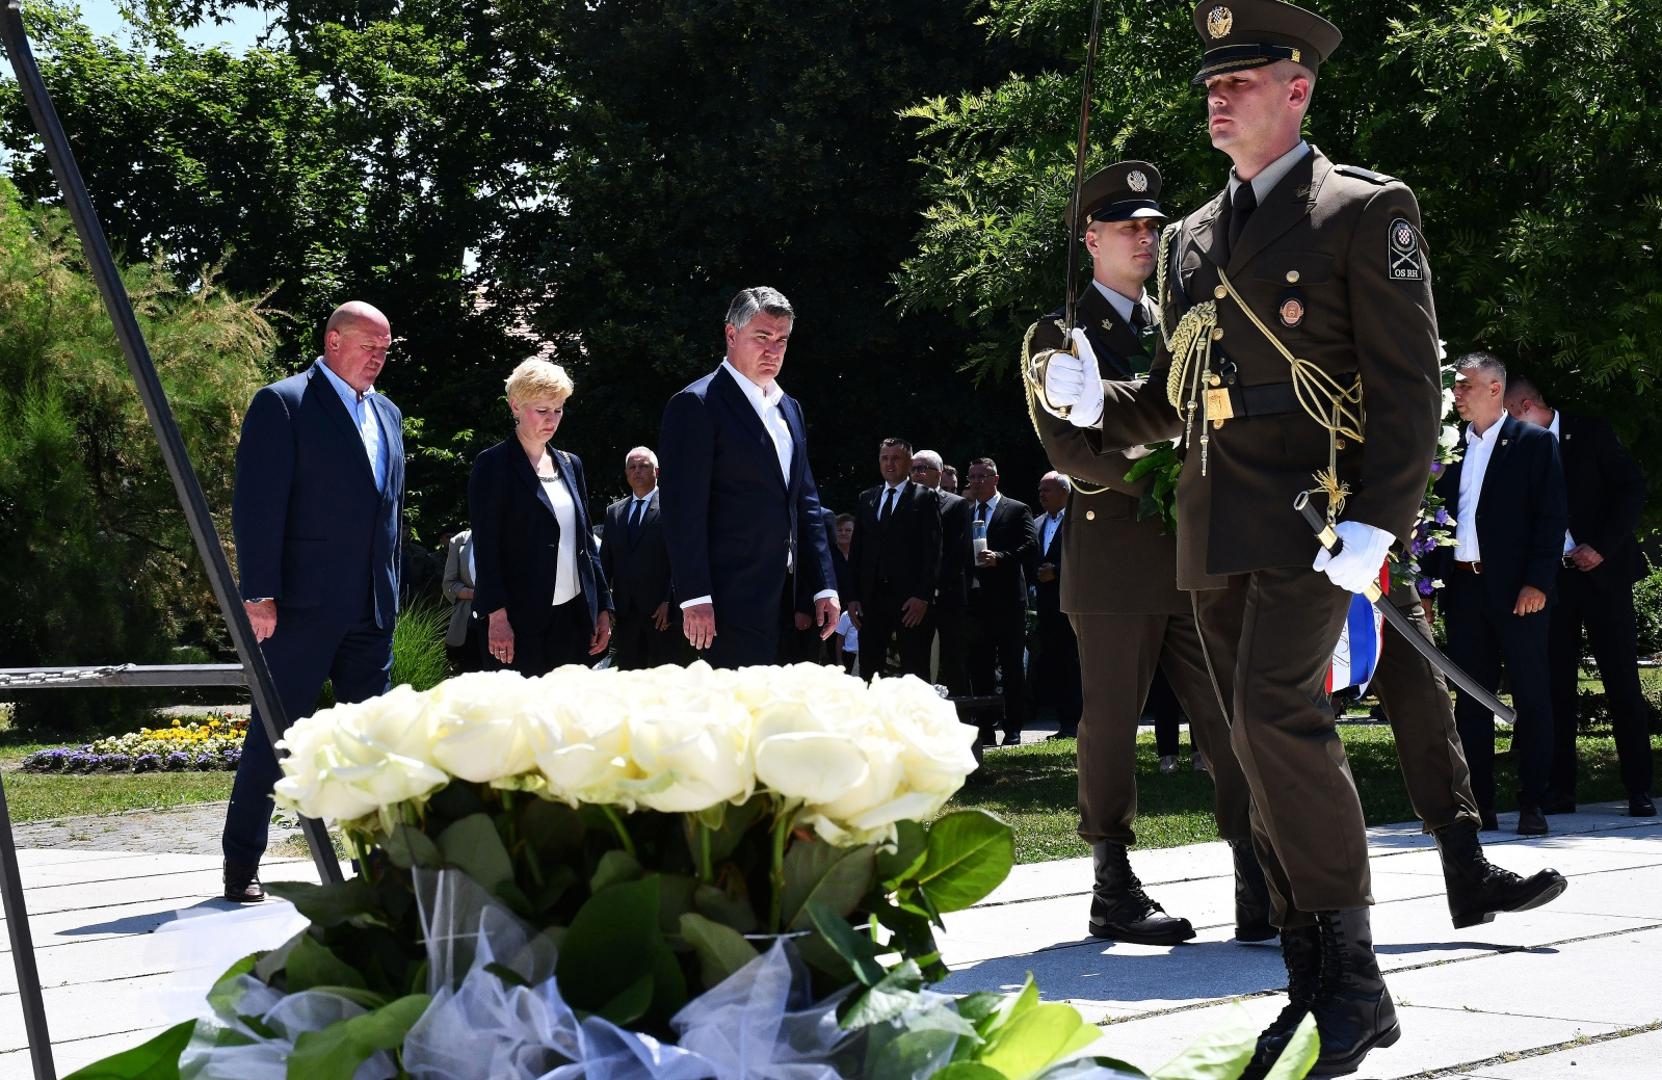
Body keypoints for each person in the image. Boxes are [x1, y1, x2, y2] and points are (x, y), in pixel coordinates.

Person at [1040, 4, 1444, 1072]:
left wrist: (1378, 519)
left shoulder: (1364, 210)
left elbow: (1410, 391)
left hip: (1317, 519)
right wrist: (1094, 401)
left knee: (1275, 716)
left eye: (1243, 78)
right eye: (1210, 82)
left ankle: (1353, 978)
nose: (1218, 96)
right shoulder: (1193, 238)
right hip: (1215, 522)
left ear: (1298, 90)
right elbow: (1178, 399)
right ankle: (1314, 975)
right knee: (1252, 741)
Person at [1026, 161, 1268, 946]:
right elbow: (1073, 448)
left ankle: (1255, 868)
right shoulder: (1056, 337)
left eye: (1151, 226)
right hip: (1115, 565)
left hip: (1194, 557)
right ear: (1089, 238)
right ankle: (1112, 882)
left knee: (1233, 719)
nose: (1144, 237)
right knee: (1110, 727)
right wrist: (1173, 471)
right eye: (1127, 226)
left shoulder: (1180, 325)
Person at [224, 301, 405, 902]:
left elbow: (388, 515)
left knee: (366, 747)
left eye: (385, 348)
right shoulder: (285, 402)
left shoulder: (390, 414)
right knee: (276, 737)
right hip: (298, 610)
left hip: (370, 612)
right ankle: (242, 862)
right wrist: (258, 595)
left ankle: (374, 867)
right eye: (367, 345)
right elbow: (258, 505)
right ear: (332, 341)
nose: (377, 357)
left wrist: (390, 592)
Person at [1370, 575, 1569, 926]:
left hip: (1385, 578)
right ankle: (1266, 886)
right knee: (1283, 726)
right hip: (1286, 572)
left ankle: (1469, 873)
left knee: (1430, 710)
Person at [659, 287, 839, 667]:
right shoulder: (696, 404)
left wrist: (824, 584)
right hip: (724, 604)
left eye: (781, 340)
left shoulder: (789, 408)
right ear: (731, 336)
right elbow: (681, 512)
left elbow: (805, 503)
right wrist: (695, 597)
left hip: (790, 602)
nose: (772, 350)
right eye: (762, 337)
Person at [1428, 353, 1568, 835]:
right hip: (1464, 586)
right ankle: (1479, 803)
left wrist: (1538, 582)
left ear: (1494, 389)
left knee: (1532, 694)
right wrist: (1427, 583)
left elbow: (1551, 517)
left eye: (1465, 385)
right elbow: (1436, 520)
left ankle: (1533, 802)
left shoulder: (1531, 443)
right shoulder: (1450, 449)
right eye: (1455, 386)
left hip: (1517, 590)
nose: (1457, 394)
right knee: (1471, 697)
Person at [1505, 376, 1655, 817]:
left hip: (1604, 574)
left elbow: (1631, 489)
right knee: (1556, 686)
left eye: (1512, 417)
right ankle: (1560, 788)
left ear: (1528, 404)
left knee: (1622, 681)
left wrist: (1602, 546)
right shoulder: (1516, 451)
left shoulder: (1590, 432)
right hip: (1553, 579)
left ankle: (1638, 788)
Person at [469, 359, 613, 676]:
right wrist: (496, 616)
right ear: (516, 406)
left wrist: (603, 606)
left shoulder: (571, 464)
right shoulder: (493, 464)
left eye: (558, 410)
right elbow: (486, 547)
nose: (552, 419)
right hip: (518, 622)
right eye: (542, 410)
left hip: (574, 618)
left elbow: (586, 542)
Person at [848, 438, 942, 680]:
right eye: (884, 458)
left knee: (915, 668)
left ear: (909, 462)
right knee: (870, 669)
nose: (889, 463)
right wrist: (853, 596)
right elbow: (857, 550)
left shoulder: (925, 497)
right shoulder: (866, 498)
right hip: (871, 599)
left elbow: (932, 552)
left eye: (896, 458)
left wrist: (923, 596)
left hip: (910, 601)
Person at [962, 457, 1037, 745]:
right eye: (972, 477)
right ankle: (985, 728)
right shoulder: (966, 511)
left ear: (996, 478)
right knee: (979, 667)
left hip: (1007, 602)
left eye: (982, 476)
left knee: (1011, 666)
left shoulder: (1016, 509)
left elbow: (1031, 545)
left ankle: (1014, 727)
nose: (976, 481)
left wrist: (1001, 558)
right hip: (976, 602)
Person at [600, 447, 681, 669]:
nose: (637, 471)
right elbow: (604, 564)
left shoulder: (674, 507)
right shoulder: (614, 512)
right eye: (632, 467)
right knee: (629, 681)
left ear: (657, 471)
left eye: (643, 466)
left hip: (662, 614)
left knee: (666, 680)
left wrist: (669, 601)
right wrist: (604, 607)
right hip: (625, 615)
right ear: (626, 473)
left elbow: (681, 560)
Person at [913, 449, 972, 694]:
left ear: (939, 474)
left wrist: (932, 587)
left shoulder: (956, 504)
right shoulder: (904, 502)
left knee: (953, 660)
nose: (916, 473)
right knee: (915, 661)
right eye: (913, 468)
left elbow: (956, 553)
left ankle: (965, 723)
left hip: (947, 595)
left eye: (922, 468)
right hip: (914, 597)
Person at [1030, 472, 1081, 740]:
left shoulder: (1079, 520)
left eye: (1047, 490)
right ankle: (1065, 723)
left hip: (1074, 604)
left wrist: (1058, 571)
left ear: (1065, 491)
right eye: (1040, 490)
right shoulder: (1037, 522)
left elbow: (1087, 558)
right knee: (1057, 665)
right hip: (1048, 608)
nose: (1042, 495)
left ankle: (1078, 722)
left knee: (1075, 665)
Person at [441, 528, 480, 673]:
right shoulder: (459, 541)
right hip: (469, 626)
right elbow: (448, 585)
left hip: (509, 624)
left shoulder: (513, 532)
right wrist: (477, 594)